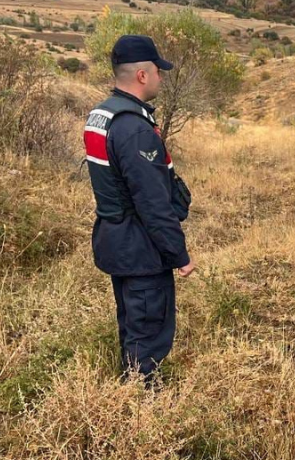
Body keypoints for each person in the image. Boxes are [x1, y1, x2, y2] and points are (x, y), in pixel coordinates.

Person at [83, 34, 195, 383]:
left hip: (117, 238)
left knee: (133, 321)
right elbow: (153, 203)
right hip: (141, 246)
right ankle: (142, 402)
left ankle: (132, 387)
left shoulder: (102, 115)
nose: (162, 77)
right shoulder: (134, 128)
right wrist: (179, 254)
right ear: (143, 75)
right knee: (148, 330)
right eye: (158, 71)